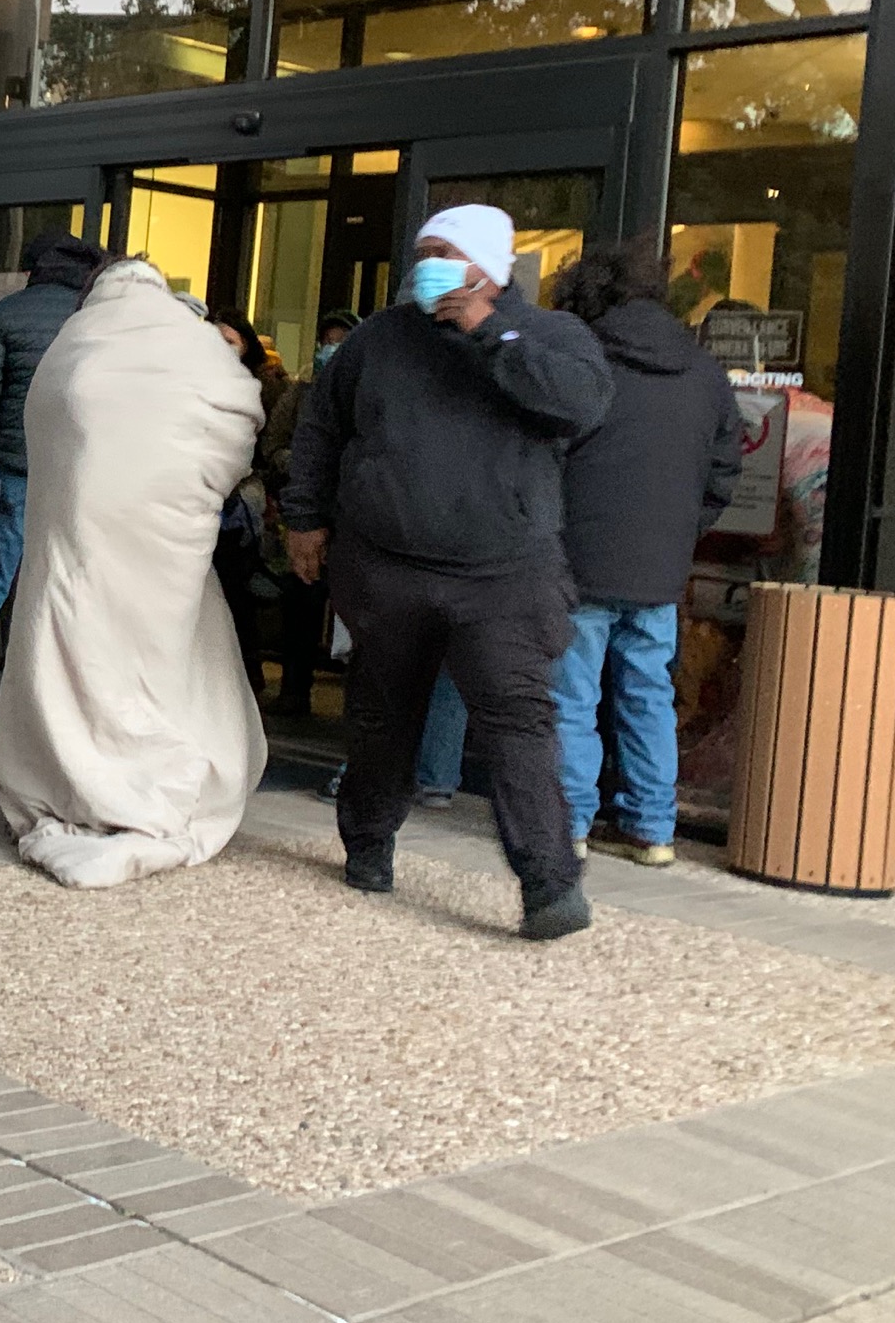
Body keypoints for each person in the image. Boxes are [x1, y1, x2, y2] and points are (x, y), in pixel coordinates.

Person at [283, 204, 613, 941]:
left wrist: (486, 330)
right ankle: (368, 842)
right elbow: (322, 429)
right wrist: (303, 517)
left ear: (490, 266)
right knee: (380, 716)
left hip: (504, 575)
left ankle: (550, 887)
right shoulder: (377, 340)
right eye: (423, 250)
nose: (428, 263)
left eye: (446, 251)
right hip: (388, 568)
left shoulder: (553, 337)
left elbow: (579, 406)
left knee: (519, 725)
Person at [0, 254, 269, 887]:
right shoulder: (192, 343)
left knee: (76, 646)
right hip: (168, 541)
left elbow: (44, 427)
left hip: (74, 537)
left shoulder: (77, 341)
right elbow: (240, 413)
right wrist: (197, 489)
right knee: (164, 656)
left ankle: (71, 780)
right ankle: (153, 777)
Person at [548, 241, 742, 866]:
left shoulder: (582, 358)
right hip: (660, 567)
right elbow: (724, 470)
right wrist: (683, 529)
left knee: (573, 699)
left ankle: (571, 824)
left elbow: (546, 455)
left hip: (579, 559)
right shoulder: (705, 371)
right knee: (648, 694)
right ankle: (653, 829)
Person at [0, 231, 102, 695]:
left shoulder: (9, 313)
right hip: (78, 481)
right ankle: (39, 711)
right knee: (59, 597)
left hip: (14, 472)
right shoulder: (97, 318)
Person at [259, 311, 358, 721]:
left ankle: (356, 706)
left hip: (352, 518)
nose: (329, 349)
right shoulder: (300, 394)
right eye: (326, 341)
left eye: (340, 341)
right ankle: (295, 690)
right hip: (307, 512)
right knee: (302, 600)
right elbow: (274, 442)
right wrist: (295, 464)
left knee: (355, 615)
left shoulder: (365, 393)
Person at [208, 309, 276, 689]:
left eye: (230, 342)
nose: (222, 349)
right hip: (205, 504)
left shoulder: (259, 389)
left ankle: (247, 675)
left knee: (237, 593)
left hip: (235, 507)